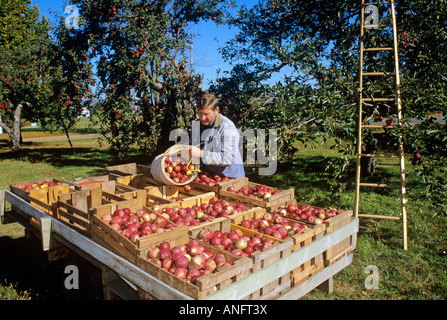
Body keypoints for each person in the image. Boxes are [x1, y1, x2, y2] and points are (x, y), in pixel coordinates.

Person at [186, 93, 245, 178]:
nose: (202, 118)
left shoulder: (227, 128)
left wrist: (201, 153)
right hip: (209, 176)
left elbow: (227, 159)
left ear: (216, 110)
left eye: (206, 114)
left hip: (230, 177)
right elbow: (192, 144)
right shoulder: (197, 124)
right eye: (200, 113)